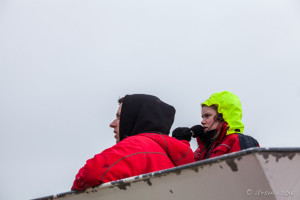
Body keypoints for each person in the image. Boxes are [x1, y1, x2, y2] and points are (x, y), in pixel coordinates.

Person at [71, 94, 195, 191]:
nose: (112, 124)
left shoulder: (137, 146)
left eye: (119, 117)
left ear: (134, 119)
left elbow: (91, 174)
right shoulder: (173, 156)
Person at [172, 91, 259, 161]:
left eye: (207, 116)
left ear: (222, 117)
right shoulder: (203, 148)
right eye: (202, 117)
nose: (202, 121)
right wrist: (181, 143)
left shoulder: (239, 141)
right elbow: (186, 174)